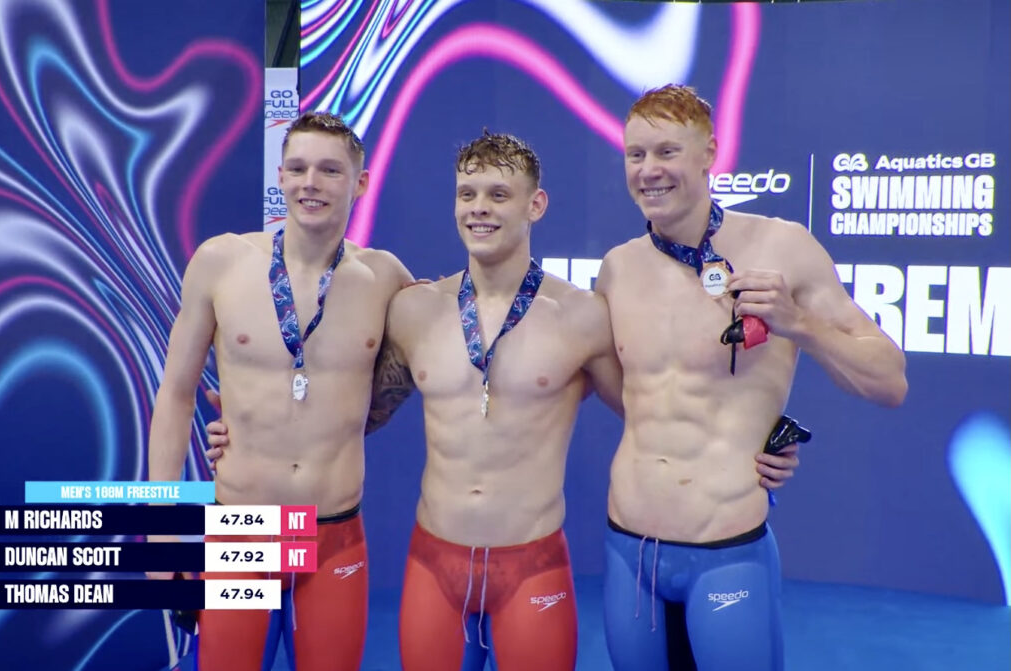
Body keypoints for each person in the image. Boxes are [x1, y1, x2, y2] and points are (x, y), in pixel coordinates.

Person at [207, 131, 801, 670]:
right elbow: (352, 406)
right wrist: (256, 438)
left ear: (534, 205)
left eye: (498, 194)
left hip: (533, 565)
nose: (479, 209)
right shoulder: (414, 308)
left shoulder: (583, 318)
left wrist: (749, 444)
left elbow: (658, 411)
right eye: (467, 194)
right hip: (429, 565)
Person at [598, 84, 908, 671]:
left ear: (710, 151)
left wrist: (798, 323)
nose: (648, 171)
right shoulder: (618, 268)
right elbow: (635, 396)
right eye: (635, 155)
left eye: (667, 152)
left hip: (727, 552)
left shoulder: (781, 246)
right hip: (628, 551)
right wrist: (753, 431)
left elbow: (890, 381)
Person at [146, 112, 412, 671]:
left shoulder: (385, 279)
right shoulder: (222, 262)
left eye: (329, 170)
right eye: (297, 168)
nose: (309, 182)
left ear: (360, 182)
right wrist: (164, 526)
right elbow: (174, 395)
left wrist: (331, 421)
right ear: (281, 178)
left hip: (333, 534)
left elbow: (417, 375)